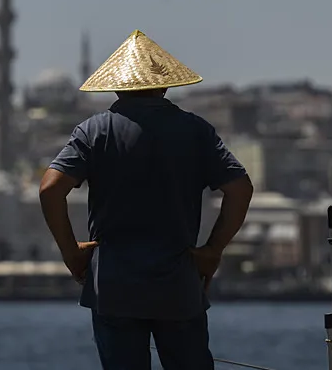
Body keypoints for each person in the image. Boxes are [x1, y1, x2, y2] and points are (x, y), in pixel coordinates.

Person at [39, 30, 254, 370]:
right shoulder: (195, 131)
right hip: (178, 285)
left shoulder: (94, 131)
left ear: (116, 85)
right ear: (166, 84)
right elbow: (240, 189)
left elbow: (51, 189)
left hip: (113, 287)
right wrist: (212, 250)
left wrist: (71, 253)